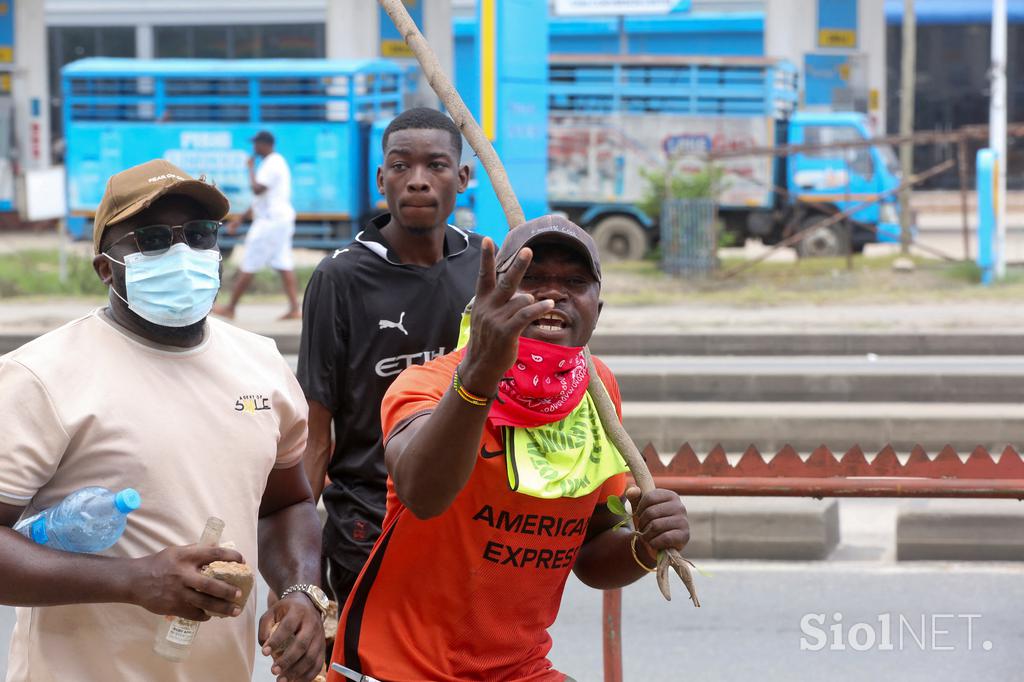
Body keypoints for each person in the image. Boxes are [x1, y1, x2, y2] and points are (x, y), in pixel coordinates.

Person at [0, 159, 327, 682]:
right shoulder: (40, 377)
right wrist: (130, 581)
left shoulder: (262, 365)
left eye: (200, 235)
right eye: (151, 240)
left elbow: (285, 504)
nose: (183, 254)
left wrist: (300, 592)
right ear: (107, 267)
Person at [328, 216, 691, 682]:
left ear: (596, 310)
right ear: (489, 301)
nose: (553, 294)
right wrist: (480, 373)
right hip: (399, 669)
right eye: (530, 280)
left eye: (574, 283)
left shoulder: (599, 393)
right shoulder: (431, 383)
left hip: (519, 670)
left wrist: (646, 544)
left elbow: (591, 552)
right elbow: (423, 493)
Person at [297, 107, 479, 611]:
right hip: (369, 523)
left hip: (467, 517)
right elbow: (315, 436)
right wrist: (297, 578)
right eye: (401, 166)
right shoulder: (341, 277)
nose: (417, 181)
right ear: (382, 179)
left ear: (462, 177)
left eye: (436, 166)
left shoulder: (483, 265)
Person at [214, 130, 301, 320]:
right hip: (278, 219)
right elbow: (259, 199)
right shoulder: (274, 162)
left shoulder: (271, 163)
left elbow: (257, 189)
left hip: (270, 222)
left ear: (265, 144)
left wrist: (250, 168)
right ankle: (295, 308)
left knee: (250, 262)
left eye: (256, 144)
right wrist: (240, 219)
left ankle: (231, 307)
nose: (254, 148)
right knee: (283, 262)